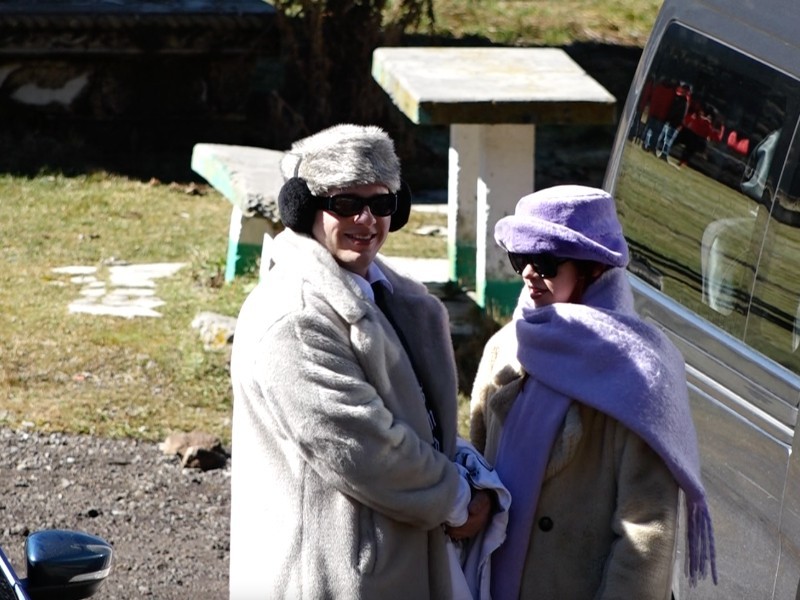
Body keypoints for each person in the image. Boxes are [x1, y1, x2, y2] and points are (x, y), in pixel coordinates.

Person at [228, 123, 495, 599]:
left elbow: (418, 418)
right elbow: (361, 446)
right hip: (330, 577)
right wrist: (456, 498)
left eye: (382, 204)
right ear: (304, 207)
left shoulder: (387, 295)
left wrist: (471, 473)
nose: (367, 220)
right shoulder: (293, 318)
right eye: (346, 204)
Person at [470, 185, 717, 599]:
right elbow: (475, 462)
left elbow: (645, 531)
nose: (530, 272)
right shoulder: (507, 347)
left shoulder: (636, 374)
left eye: (546, 261)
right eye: (521, 258)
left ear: (594, 269)